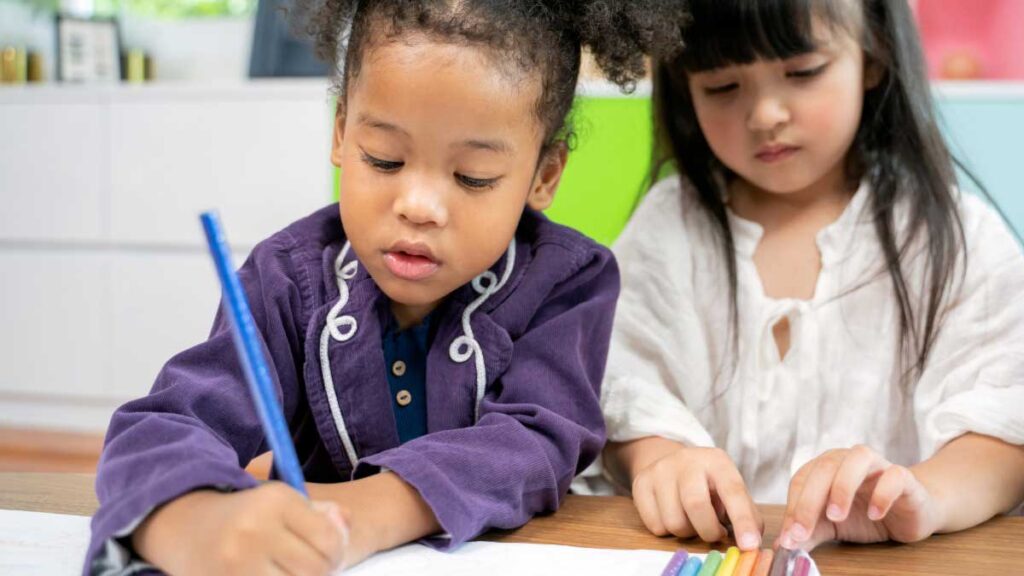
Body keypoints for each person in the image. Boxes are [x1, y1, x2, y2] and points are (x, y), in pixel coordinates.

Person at [85, 2, 684, 574]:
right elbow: (165, 427)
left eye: (472, 178)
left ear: (543, 175)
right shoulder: (283, 279)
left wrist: (361, 513)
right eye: (385, 160)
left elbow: (536, 441)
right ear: (343, 132)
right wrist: (190, 523)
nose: (418, 206)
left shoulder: (568, 281)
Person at [601, 0, 1024, 555]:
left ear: (872, 54)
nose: (765, 115)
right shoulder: (667, 230)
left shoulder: (954, 234)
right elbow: (621, 391)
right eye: (722, 87)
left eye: (802, 72)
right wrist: (660, 461)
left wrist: (926, 494)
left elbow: (1005, 424)